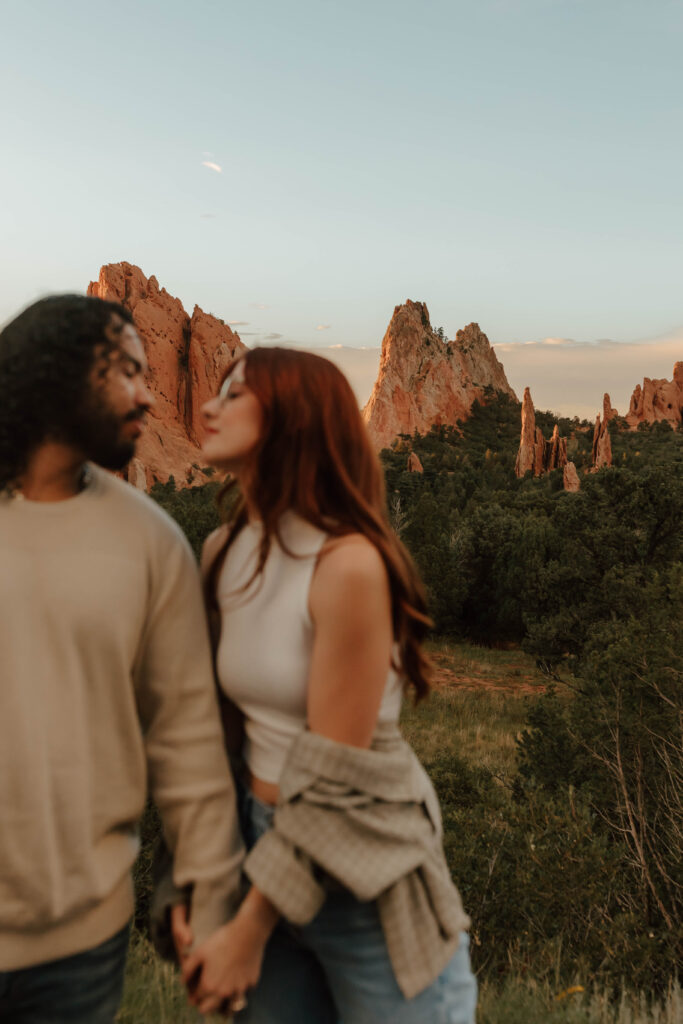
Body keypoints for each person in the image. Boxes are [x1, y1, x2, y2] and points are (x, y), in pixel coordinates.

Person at [177, 347, 478, 1023]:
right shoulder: (221, 553)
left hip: (360, 857)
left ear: (292, 419)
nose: (207, 406)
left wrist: (246, 931)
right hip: (261, 847)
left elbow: (334, 774)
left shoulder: (348, 565)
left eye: (233, 395)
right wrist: (203, 882)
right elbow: (216, 735)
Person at [0, 295, 244, 1024]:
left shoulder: (151, 541)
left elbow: (187, 736)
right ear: (61, 376)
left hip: (75, 948)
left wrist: (205, 889)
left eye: (152, 372)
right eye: (128, 373)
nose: (149, 394)